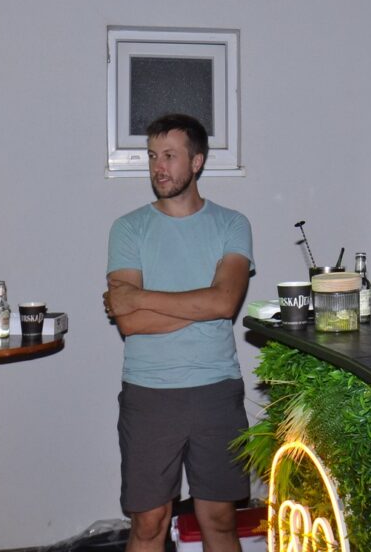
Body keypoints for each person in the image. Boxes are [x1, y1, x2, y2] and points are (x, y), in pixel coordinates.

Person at [103, 114, 253, 552]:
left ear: (197, 162)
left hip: (216, 389)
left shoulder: (232, 224)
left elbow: (225, 303)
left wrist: (142, 297)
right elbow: (129, 322)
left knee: (220, 520)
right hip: (149, 393)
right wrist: (203, 303)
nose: (158, 167)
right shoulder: (128, 228)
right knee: (149, 523)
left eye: (170, 156)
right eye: (153, 156)